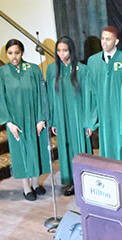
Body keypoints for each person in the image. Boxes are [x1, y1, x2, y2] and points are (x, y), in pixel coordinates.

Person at [0, 39, 50, 201]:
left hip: (33, 116)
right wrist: (8, 122)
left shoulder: (33, 69)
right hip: (15, 120)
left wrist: (41, 119)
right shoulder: (2, 73)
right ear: (6, 54)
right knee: (21, 152)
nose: (14, 57)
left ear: (22, 53)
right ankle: (26, 187)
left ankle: (36, 183)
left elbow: (42, 94)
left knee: (36, 150)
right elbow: (1, 99)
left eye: (17, 53)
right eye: (10, 53)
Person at [46, 36, 91, 196]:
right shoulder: (52, 69)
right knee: (65, 149)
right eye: (58, 50)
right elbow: (50, 97)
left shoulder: (82, 69)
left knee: (80, 149)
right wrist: (53, 121)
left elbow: (88, 96)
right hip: (61, 117)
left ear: (71, 50)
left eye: (65, 50)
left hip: (78, 117)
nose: (61, 54)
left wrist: (89, 122)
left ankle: (84, 183)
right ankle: (71, 182)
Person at [87, 26, 122, 161]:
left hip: (120, 114)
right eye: (102, 38)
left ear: (116, 41)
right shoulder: (93, 61)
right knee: (106, 152)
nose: (104, 42)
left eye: (108, 39)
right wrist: (91, 119)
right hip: (104, 114)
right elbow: (91, 91)